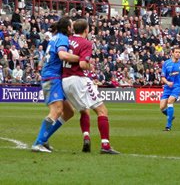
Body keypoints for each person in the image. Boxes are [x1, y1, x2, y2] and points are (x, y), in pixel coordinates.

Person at [62, 19, 120, 154]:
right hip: (78, 79)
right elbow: (82, 65)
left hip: (64, 81)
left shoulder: (67, 39)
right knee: (102, 111)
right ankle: (105, 146)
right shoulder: (86, 43)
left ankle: (86, 136)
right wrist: (90, 65)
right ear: (86, 30)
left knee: (84, 110)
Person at [32, 17, 79, 153]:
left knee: (69, 112)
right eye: (71, 25)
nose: (73, 27)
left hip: (51, 75)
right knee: (57, 110)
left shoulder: (55, 37)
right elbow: (63, 55)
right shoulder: (63, 38)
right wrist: (80, 59)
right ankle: (38, 143)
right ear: (68, 28)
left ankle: (44, 139)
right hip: (52, 77)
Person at [159, 46, 180, 131]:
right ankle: (170, 116)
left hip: (177, 87)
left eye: (179, 52)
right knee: (162, 107)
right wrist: (168, 82)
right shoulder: (166, 63)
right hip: (167, 87)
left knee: (170, 101)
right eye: (176, 52)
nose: (178, 54)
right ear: (172, 53)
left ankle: (168, 126)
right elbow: (162, 77)